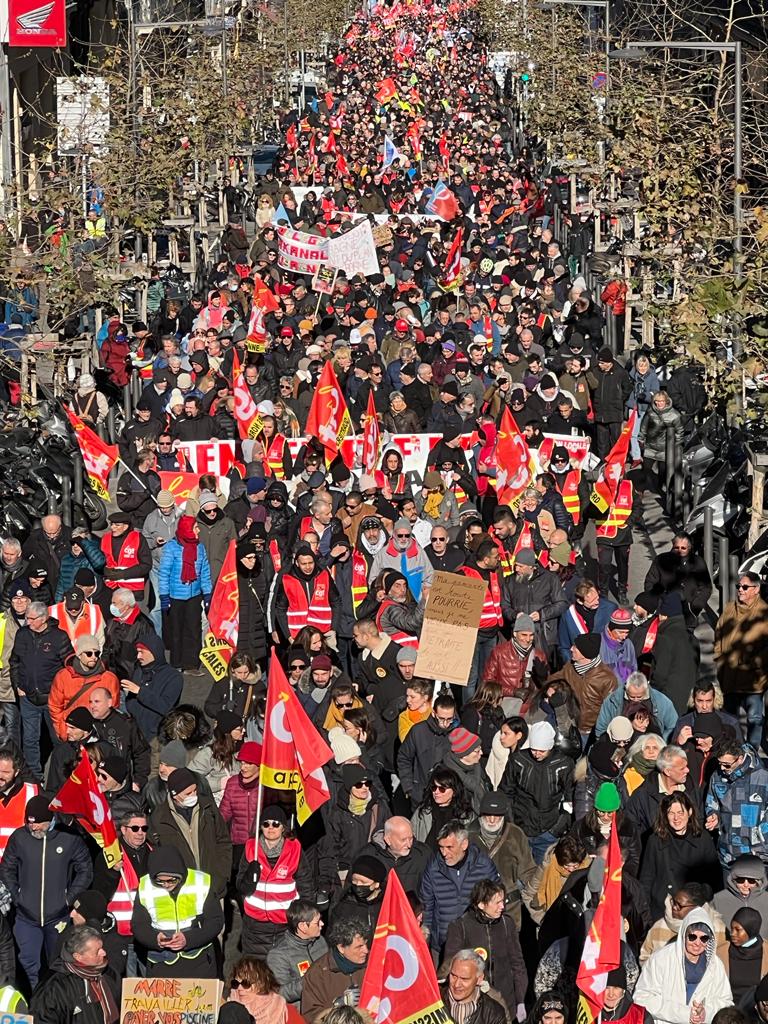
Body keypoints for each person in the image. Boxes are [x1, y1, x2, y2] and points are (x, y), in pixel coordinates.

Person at [0, 794, 93, 989]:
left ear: (50, 820)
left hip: (58, 918)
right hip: (26, 918)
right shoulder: (19, 837)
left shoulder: (68, 837)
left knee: (57, 966)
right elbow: (7, 867)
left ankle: (53, 1008)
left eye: (38, 823)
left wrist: (68, 898)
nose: (33, 827)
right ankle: (31, 1009)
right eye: (29, 822)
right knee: (26, 966)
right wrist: (17, 896)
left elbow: (85, 870)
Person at [131, 846, 224, 977]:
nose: (166, 885)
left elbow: (215, 921)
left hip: (198, 961)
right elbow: (138, 925)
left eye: (171, 880)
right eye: (160, 881)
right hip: (161, 963)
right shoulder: (145, 886)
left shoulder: (201, 882)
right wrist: (155, 939)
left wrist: (188, 939)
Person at [441, 879, 527, 1020]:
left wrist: (520, 1000)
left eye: (502, 901)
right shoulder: (460, 926)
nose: (502, 907)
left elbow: (518, 964)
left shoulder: (507, 924)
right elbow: (450, 964)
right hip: (475, 1004)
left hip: (505, 1001)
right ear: (481, 904)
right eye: (497, 903)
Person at [237, 804, 314, 958]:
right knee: (255, 974)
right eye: (266, 824)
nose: (270, 828)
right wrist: (249, 878)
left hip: (284, 924)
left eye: (275, 824)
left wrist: (303, 918)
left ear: (283, 828)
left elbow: (306, 886)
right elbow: (240, 886)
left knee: (281, 973)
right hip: (255, 926)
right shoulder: (251, 848)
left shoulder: (295, 849)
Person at [633, 909, 733, 1024]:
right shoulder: (660, 959)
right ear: (684, 935)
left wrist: (706, 1013)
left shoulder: (716, 965)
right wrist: (684, 1013)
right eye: (692, 937)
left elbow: (726, 1002)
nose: (697, 943)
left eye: (704, 938)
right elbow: (641, 998)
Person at [10, 599, 72, 779]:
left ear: (43, 618)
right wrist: (17, 685)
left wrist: (61, 691)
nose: (27, 622)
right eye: (26, 618)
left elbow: (69, 666)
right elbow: (14, 661)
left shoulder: (59, 637)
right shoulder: (23, 634)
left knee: (58, 739)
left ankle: (61, 775)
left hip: (52, 698)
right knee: (30, 739)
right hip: (28, 697)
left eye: (31, 619)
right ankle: (34, 777)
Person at [148, 767, 232, 900]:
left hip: (213, 887)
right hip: (183, 892)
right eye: (188, 793)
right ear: (175, 795)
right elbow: (158, 854)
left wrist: (221, 877)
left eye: (195, 791)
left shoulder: (208, 808)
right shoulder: (159, 818)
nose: (193, 795)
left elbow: (223, 841)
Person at [420, 821, 500, 954]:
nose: (444, 853)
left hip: (477, 944)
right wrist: (426, 935)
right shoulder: (433, 867)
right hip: (442, 945)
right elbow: (426, 905)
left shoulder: (483, 865)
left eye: (449, 847)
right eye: (441, 847)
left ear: (464, 844)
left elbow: (496, 901)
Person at [500, 721, 575, 864]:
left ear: (550, 747)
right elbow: (506, 792)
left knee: (541, 876)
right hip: (521, 827)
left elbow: (569, 798)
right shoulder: (518, 760)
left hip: (549, 830)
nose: (536, 754)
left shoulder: (564, 764)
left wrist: (557, 828)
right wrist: (511, 824)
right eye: (534, 749)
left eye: (542, 750)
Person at [639, 792, 720, 920]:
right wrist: (645, 914)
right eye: (671, 813)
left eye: (680, 813)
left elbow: (714, 878)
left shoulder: (702, 838)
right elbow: (646, 879)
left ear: (690, 812)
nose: (676, 818)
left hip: (694, 910)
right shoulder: (655, 840)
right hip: (662, 910)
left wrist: (702, 898)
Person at [714, 572, 768, 749]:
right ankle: (734, 749)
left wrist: (754, 664)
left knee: (754, 718)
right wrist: (719, 658)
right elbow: (719, 633)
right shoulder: (730, 608)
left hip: (752, 681)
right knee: (730, 719)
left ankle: (752, 751)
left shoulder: (764, 614)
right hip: (729, 676)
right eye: (738, 587)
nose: (740, 590)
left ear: (756, 589)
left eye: (745, 587)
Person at [29, 925, 120, 1024]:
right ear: (78, 957)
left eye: (101, 948)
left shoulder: (108, 973)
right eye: (97, 951)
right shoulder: (53, 988)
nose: (104, 953)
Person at [705, 739, 768, 866]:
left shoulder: (763, 777)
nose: (722, 768)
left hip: (758, 854)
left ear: (740, 759)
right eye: (720, 763)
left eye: (727, 765)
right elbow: (712, 803)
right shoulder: (717, 776)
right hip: (728, 853)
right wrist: (713, 815)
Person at [48, 634, 120, 741]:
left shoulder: (109, 678)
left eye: (97, 653)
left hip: (97, 735)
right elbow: (54, 707)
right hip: (71, 733)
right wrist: (63, 731)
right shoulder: (63, 676)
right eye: (89, 653)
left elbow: (112, 708)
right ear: (79, 654)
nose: (94, 657)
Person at [300, 915, 368, 1020]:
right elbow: (310, 1015)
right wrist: (338, 1006)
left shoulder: (373, 963)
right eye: (359, 947)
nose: (366, 950)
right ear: (341, 947)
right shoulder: (318, 973)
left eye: (365, 945)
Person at [123, 634, 184, 747]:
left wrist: (140, 692)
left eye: (142, 652)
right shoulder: (139, 671)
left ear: (154, 652)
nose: (138, 656)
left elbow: (166, 706)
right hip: (135, 734)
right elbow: (131, 700)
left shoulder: (174, 677)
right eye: (137, 652)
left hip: (156, 738)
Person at [266, 899, 328, 1008]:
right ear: (303, 927)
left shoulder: (320, 941)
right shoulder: (278, 955)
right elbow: (280, 993)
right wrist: (310, 981)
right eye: (317, 922)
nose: (322, 924)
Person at [225, 957, 304, 1024]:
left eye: (246, 983)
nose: (239, 988)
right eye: (235, 983)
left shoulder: (283, 1010)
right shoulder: (229, 1009)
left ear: (261, 983)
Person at [439, 949, 507, 1024]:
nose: (456, 984)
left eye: (464, 979)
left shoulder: (494, 1014)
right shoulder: (434, 1000)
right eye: (453, 976)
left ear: (479, 979)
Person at [712, 856, 768, 938]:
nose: (746, 884)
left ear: (759, 882)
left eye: (751, 880)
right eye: (740, 880)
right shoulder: (717, 900)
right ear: (733, 880)